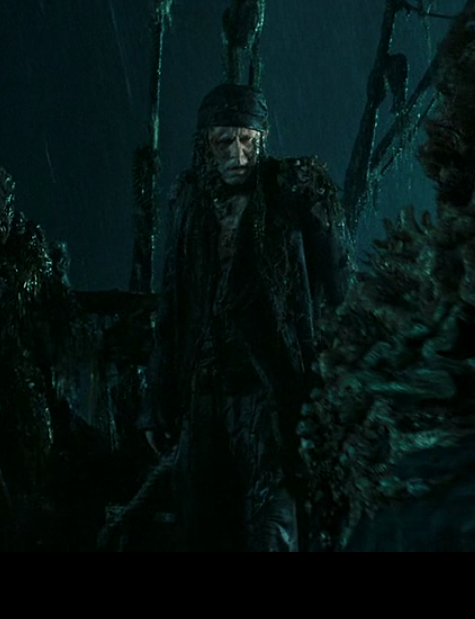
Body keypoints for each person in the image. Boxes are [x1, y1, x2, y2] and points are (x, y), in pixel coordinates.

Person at [140, 83, 350, 551]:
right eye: (224, 142)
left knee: (273, 515)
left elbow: (339, 290)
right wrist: (157, 399)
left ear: (261, 139)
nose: (237, 155)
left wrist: (336, 383)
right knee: (202, 520)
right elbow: (173, 302)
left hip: (269, 383)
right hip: (204, 386)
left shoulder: (292, 192)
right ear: (206, 145)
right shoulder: (192, 202)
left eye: (247, 141)